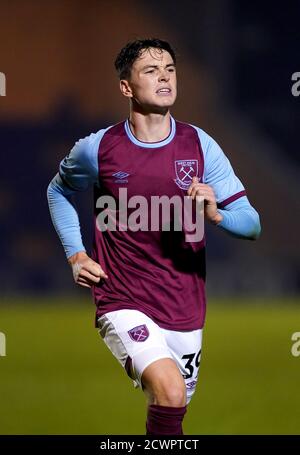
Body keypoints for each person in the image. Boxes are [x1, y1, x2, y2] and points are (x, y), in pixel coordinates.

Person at [47, 38, 261, 435]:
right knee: (171, 391)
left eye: (170, 69)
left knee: (170, 409)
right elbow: (57, 191)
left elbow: (252, 224)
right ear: (126, 87)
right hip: (121, 298)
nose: (164, 77)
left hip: (185, 307)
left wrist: (216, 215)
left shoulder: (200, 145)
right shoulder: (98, 149)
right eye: (150, 70)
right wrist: (76, 254)